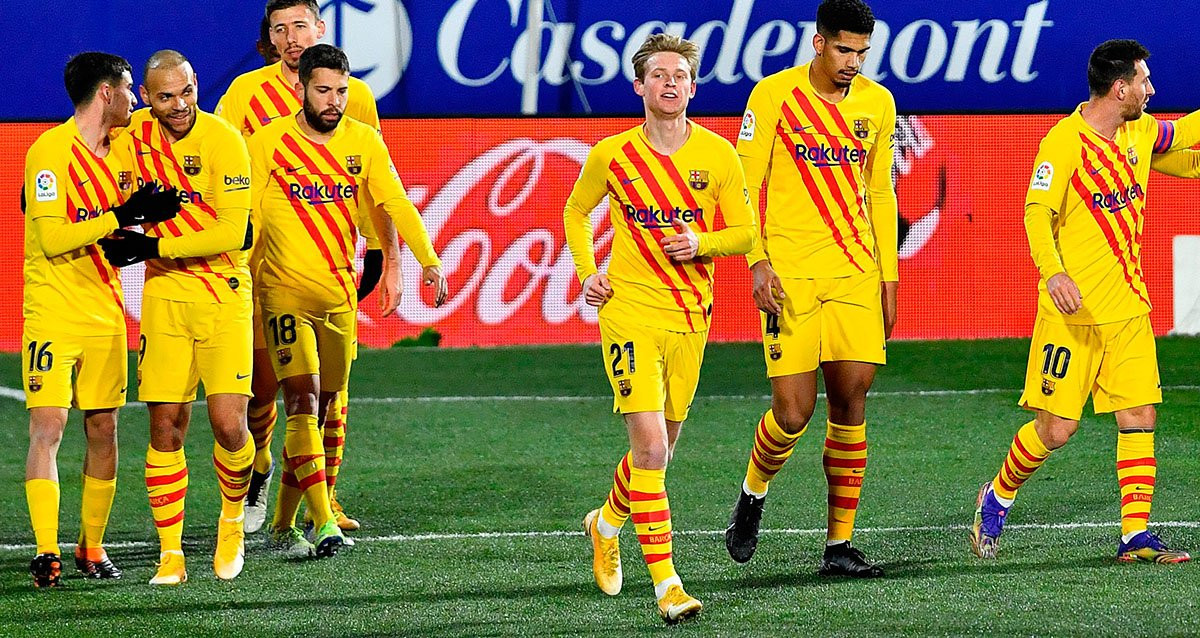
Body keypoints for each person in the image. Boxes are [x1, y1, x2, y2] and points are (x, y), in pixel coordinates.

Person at [970, 39, 1200, 563]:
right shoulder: (1062, 143)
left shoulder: (1139, 131)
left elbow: (1185, 138)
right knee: (1056, 430)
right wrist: (1052, 273)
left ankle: (1134, 535)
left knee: (1139, 413)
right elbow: (1035, 213)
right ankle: (998, 494)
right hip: (1072, 315)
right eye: (1144, 80)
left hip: (1128, 308)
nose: (1152, 89)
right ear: (1120, 88)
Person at [565, 33, 758, 623]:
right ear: (640, 86)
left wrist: (702, 243)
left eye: (680, 75)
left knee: (661, 452)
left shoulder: (719, 156)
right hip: (627, 313)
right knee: (649, 447)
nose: (670, 83)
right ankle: (668, 586)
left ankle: (606, 522)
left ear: (692, 87)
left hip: (691, 317)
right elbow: (576, 212)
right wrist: (587, 271)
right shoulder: (612, 154)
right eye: (659, 75)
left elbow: (748, 233)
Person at [246, 43, 445, 558]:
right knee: (302, 400)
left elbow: (394, 200)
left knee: (328, 403)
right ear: (301, 89)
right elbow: (247, 221)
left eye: (341, 91)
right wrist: (237, 277)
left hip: (338, 297)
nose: (334, 100)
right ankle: (324, 521)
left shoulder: (364, 143)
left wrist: (427, 259)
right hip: (282, 294)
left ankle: (283, 524)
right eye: (323, 90)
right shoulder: (267, 143)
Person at [723, 0, 897, 578]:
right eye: (845, 49)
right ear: (818, 43)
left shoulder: (878, 103)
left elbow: (880, 193)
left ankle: (838, 546)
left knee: (851, 401)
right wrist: (756, 261)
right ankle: (752, 495)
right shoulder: (771, 95)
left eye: (862, 52)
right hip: (790, 277)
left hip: (855, 273)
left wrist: (889, 276)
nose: (854, 62)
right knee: (793, 413)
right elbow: (745, 183)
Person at [217, 0, 403, 538]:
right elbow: (229, 169)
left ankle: (327, 499)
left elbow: (377, 186)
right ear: (269, 39)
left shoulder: (355, 95)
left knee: (328, 393)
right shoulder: (244, 95)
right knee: (260, 390)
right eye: (280, 28)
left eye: (301, 25)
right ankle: (258, 472)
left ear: (320, 28)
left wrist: (389, 260)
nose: (291, 36)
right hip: (263, 269)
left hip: (334, 263)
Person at [22, 52, 180, 587]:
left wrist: (137, 232)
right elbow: (53, 237)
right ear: (106, 94)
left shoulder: (126, 152)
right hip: (53, 311)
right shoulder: (49, 153)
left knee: (104, 428)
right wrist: (123, 214)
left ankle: (92, 547)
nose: (136, 98)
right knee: (48, 424)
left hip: (107, 311)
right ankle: (47, 551)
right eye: (130, 88)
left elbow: (111, 234)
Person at [98, 50, 255, 585]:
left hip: (225, 295)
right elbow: (87, 146)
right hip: (164, 295)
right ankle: (172, 554)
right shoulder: (132, 134)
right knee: (165, 426)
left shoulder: (223, 141)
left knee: (229, 425)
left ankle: (231, 520)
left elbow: (232, 232)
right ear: (147, 96)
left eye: (188, 91)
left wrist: (150, 242)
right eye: (167, 96)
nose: (181, 104)